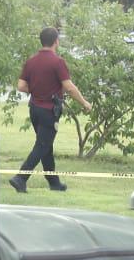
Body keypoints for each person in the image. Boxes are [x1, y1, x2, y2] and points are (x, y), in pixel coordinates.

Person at [9, 27, 92, 194]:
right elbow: (69, 87)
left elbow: (21, 86)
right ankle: (20, 178)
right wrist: (84, 103)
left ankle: (54, 182)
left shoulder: (31, 61)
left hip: (34, 109)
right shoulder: (57, 62)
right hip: (49, 111)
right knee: (42, 145)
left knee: (46, 145)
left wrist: (36, 89)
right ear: (56, 41)